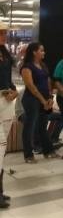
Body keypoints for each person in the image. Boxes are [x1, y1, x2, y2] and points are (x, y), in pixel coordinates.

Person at [20, 42, 59, 162]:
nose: (44, 52)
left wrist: (50, 98)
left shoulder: (43, 65)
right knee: (30, 127)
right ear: (34, 52)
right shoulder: (27, 67)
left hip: (44, 100)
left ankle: (48, 151)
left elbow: (48, 82)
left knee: (42, 126)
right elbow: (31, 86)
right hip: (31, 100)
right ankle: (28, 155)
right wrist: (42, 100)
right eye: (41, 50)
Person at [0, 22, 18, 208]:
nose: (4, 35)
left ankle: (0, 191)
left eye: (5, 32)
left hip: (6, 101)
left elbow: (8, 79)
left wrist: (13, 90)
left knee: (1, 150)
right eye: (1, 32)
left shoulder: (5, 53)